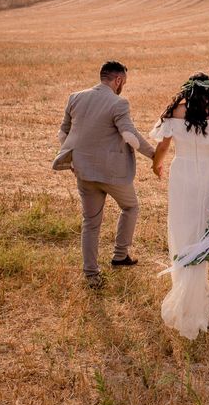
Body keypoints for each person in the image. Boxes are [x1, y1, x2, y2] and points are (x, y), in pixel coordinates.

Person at [52, 61, 156, 288]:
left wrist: (72, 160)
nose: (123, 87)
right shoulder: (118, 103)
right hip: (112, 174)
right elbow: (129, 135)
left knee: (90, 222)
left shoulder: (75, 97)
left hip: (83, 171)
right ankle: (120, 255)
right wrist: (154, 156)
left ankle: (91, 273)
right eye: (123, 83)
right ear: (118, 80)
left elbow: (63, 133)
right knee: (130, 207)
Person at [150, 72, 209, 340]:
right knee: (202, 231)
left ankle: (188, 291)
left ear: (187, 88)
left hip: (182, 172)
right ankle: (195, 291)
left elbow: (163, 145)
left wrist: (155, 164)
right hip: (207, 173)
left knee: (182, 229)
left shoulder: (177, 109)